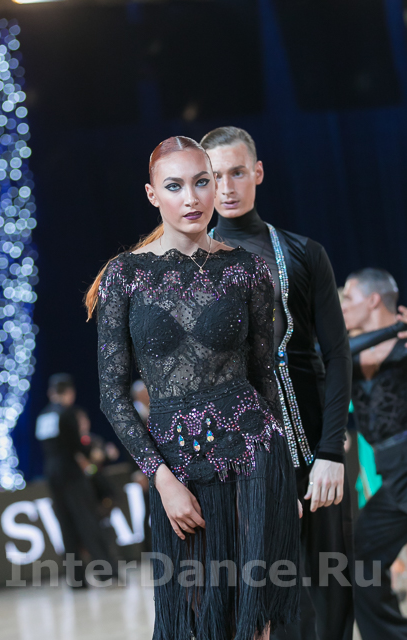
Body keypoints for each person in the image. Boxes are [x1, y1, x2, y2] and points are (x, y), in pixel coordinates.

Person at [86, 136, 301, 640]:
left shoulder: (246, 269)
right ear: (152, 194)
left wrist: (286, 478)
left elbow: (265, 376)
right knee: (193, 616)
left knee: (253, 621)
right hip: (176, 465)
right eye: (175, 186)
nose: (192, 198)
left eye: (201, 182)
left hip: (253, 452)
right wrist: (160, 479)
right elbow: (112, 395)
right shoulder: (125, 276)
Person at [201, 126, 353, 640]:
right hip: (248, 459)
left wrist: (331, 452)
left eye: (237, 172)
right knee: (275, 602)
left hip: (317, 452)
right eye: (214, 177)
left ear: (258, 173)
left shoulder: (304, 252)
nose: (226, 188)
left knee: (331, 588)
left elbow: (336, 355)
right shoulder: (192, 266)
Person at [341, 268, 407, 640]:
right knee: (361, 558)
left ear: (373, 300)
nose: (342, 307)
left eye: (348, 299)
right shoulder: (346, 354)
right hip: (394, 476)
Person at [35, 373, 118, 586]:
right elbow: (76, 446)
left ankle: (76, 580)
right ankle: (107, 574)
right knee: (87, 522)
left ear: (51, 392)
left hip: (52, 474)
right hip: (71, 474)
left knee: (66, 525)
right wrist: (96, 456)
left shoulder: (43, 416)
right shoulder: (67, 413)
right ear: (70, 392)